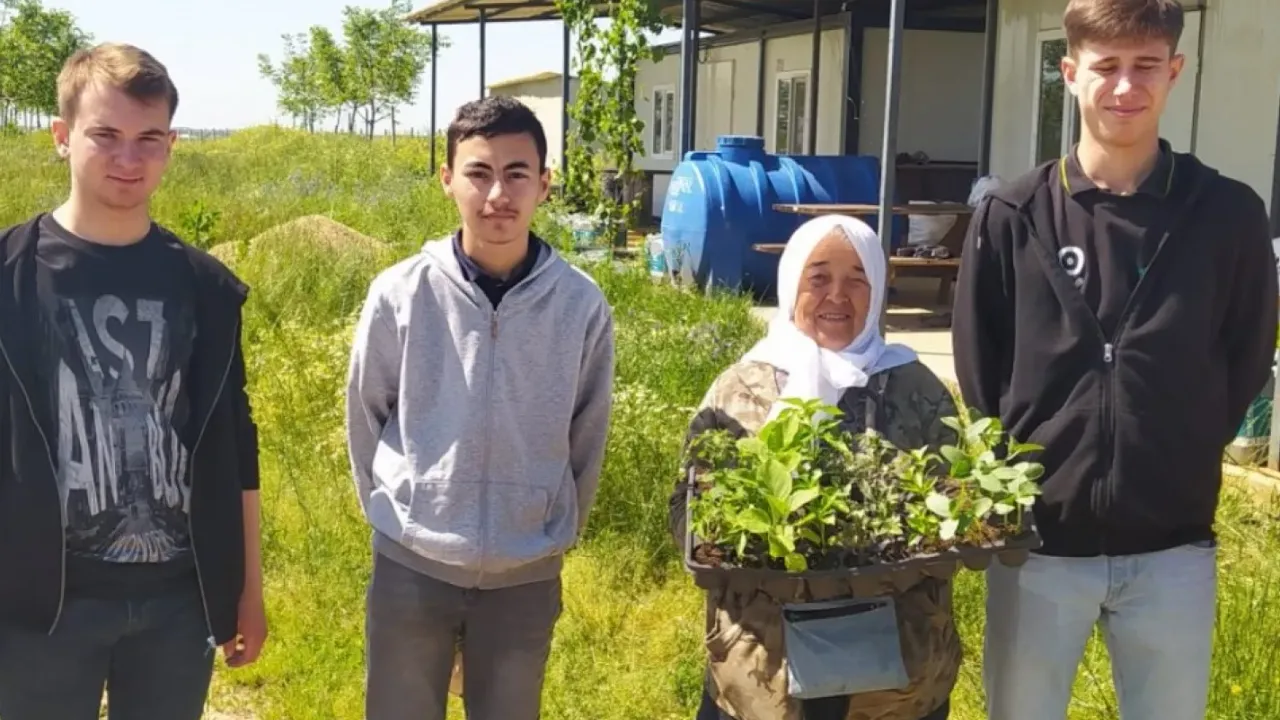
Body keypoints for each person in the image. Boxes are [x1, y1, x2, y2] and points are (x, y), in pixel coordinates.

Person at [951, 0, 1279, 717]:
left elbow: (1247, 355)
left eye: (1145, 66)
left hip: (1173, 548)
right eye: (1106, 67)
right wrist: (1028, 467)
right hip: (1037, 547)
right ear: (1069, 73)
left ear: (1175, 72)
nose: (1125, 86)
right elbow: (981, 370)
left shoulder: (1226, 215)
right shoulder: (1013, 215)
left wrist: (1181, 441)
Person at [0, 43, 267, 719]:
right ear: (61, 137)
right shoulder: (9, 277)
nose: (129, 159)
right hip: (38, 604)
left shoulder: (206, 288)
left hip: (178, 604)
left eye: (149, 139)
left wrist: (248, 589)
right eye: (105, 136)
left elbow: (236, 446)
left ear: (172, 143)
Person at [346, 95, 616, 720]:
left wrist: (551, 527)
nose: (498, 193)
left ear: (545, 184)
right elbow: (366, 413)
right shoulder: (400, 293)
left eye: (517, 173)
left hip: (526, 569)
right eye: (478, 172)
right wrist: (401, 513)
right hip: (413, 564)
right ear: (446, 180)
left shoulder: (580, 304)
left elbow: (588, 429)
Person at [672, 215, 960, 720]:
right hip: (763, 670)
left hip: (896, 679)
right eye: (819, 277)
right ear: (790, 285)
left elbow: (958, 503)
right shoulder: (740, 388)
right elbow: (688, 503)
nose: (837, 295)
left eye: (856, 279)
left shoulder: (917, 389)